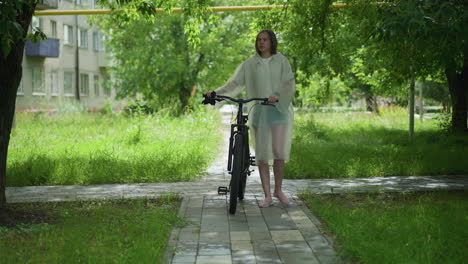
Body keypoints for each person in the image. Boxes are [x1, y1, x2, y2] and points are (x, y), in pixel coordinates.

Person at [206, 29, 295, 208]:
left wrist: (277, 95)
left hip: (278, 111)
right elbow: (235, 83)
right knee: (262, 155)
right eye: (259, 39)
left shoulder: (281, 61)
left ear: (272, 42)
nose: (261, 42)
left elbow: (288, 83)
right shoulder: (250, 64)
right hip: (260, 113)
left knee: (278, 152)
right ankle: (267, 195)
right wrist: (216, 93)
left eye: (265, 39)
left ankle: (278, 190)